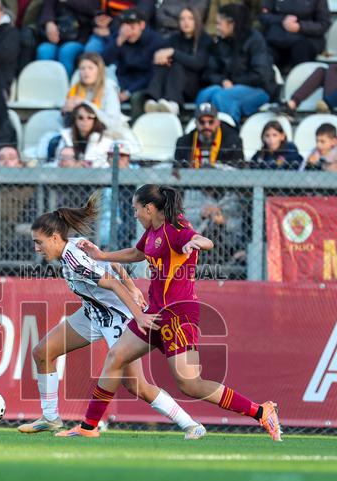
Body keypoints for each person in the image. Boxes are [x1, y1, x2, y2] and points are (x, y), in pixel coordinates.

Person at [56, 185, 282, 440]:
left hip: (179, 314)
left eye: (135, 209)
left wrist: (197, 242)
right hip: (154, 311)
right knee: (116, 357)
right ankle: (89, 427)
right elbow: (137, 253)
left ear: (149, 208)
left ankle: (262, 411)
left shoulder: (176, 229)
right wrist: (102, 255)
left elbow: (202, 240)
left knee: (190, 384)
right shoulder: (152, 231)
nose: (135, 214)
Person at [20, 194, 207, 439]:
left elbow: (112, 284)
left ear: (55, 238)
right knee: (43, 352)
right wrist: (133, 287)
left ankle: (191, 425)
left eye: (39, 242)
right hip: (92, 314)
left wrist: (138, 314)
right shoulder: (75, 244)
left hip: (117, 318)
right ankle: (51, 418)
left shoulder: (76, 261)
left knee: (136, 385)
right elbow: (114, 266)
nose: (36, 248)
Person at [196, 4, 278, 125]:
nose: (216, 28)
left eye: (219, 23)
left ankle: (230, 137)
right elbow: (209, 72)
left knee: (223, 98)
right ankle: (201, 136)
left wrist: (233, 82)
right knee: (204, 95)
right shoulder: (220, 42)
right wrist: (223, 80)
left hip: (259, 89)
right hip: (228, 85)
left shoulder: (255, 39)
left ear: (231, 24)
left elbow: (260, 75)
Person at [143, 6, 208, 115]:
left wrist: (173, 53)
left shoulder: (204, 39)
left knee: (176, 64)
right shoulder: (174, 38)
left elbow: (198, 63)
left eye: (190, 18)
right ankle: (152, 99)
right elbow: (162, 56)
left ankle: (173, 103)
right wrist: (160, 56)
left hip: (192, 86)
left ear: (196, 20)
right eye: (182, 19)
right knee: (164, 64)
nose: (186, 22)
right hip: (170, 83)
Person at [101, 9, 165, 114]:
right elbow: (104, 62)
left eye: (132, 27)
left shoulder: (155, 41)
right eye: (125, 27)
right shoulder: (120, 37)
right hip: (122, 81)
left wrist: (128, 92)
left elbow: (152, 74)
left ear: (142, 25)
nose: (128, 32)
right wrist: (119, 41)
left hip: (145, 85)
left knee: (137, 98)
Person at [259, 0, 331, 70]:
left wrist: (300, 26)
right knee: (264, 53)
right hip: (277, 37)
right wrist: (283, 20)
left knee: (300, 48)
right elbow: (264, 15)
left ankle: (302, 79)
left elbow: (323, 24)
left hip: (307, 38)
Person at [62, 52, 123, 131]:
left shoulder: (108, 88)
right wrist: (65, 111)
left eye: (90, 68)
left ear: (99, 70)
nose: (86, 72)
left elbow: (112, 123)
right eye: (82, 68)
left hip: (107, 133)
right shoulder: (75, 89)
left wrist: (84, 104)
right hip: (80, 134)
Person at [173, 101, 243, 168]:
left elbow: (238, 172)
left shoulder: (234, 143)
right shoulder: (183, 143)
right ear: (196, 123)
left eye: (211, 122)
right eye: (202, 122)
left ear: (218, 122)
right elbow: (177, 173)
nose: (206, 126)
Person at [55, 101, 114, 167]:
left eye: (90, 117)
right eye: (80, 117)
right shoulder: (65, 138)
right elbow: (56, 163)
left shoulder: (106, 141)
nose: (85, 121)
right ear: (75, 120)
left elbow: (107, 166)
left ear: (95, 120)